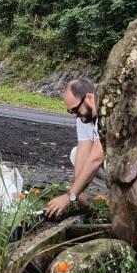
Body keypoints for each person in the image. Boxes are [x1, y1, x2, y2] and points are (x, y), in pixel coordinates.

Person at [44, 78, 105, 218]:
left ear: (89, 98)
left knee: (103, 160)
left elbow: (96, 158)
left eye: (76, 109)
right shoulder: (83, 117)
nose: (74, 115)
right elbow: (82, 153)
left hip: (130, 166)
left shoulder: (107, 113)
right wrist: (78, 192)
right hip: (111, 163)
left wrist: (70, 196)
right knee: (75, 153)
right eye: (70, 111)